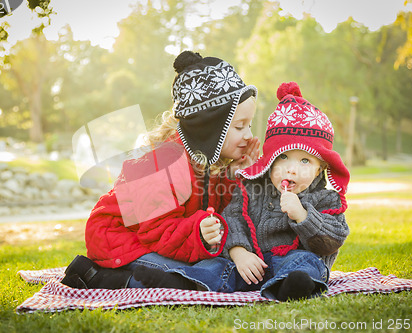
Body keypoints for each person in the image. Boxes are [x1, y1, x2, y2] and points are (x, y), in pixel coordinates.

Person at [133, 82, 350, 301]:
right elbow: (233, 218)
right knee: (216, 267)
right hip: (249, 266)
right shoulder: (253, 186)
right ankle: (182, 280)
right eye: (282, 157)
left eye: (305, 160)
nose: (291, 169)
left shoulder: (325, 199)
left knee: (306, 263)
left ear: (320, 167)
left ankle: (290, 287)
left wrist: (303, 216)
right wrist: (239, 252)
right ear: (270, 160)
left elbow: (332, 240)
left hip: (291, 263)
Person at [61, 50, 259, 290]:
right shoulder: (162, 163)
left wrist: (234, 178)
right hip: (122, 241)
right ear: (210, 128)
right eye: (239, 126)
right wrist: (199, 229)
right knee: (206, 274)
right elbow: (157, 231)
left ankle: (176, 279)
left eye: (248, 125)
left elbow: (216, 206)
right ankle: (99, 276)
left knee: (211, 268)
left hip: (161, 240)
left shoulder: (205, 161)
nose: (248, 135)